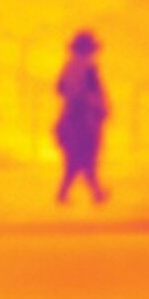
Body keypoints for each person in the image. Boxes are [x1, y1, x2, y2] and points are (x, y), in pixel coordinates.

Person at [53, 29, 111, 206]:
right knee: (86, 155)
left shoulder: (68, 65)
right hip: (85, 115)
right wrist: (101, 108)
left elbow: (59, 88)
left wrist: (72, 94)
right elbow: (95, 90)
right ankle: (94, 192)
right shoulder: (89, 66)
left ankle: (92, 192)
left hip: (69, 112)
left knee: (75, 157)